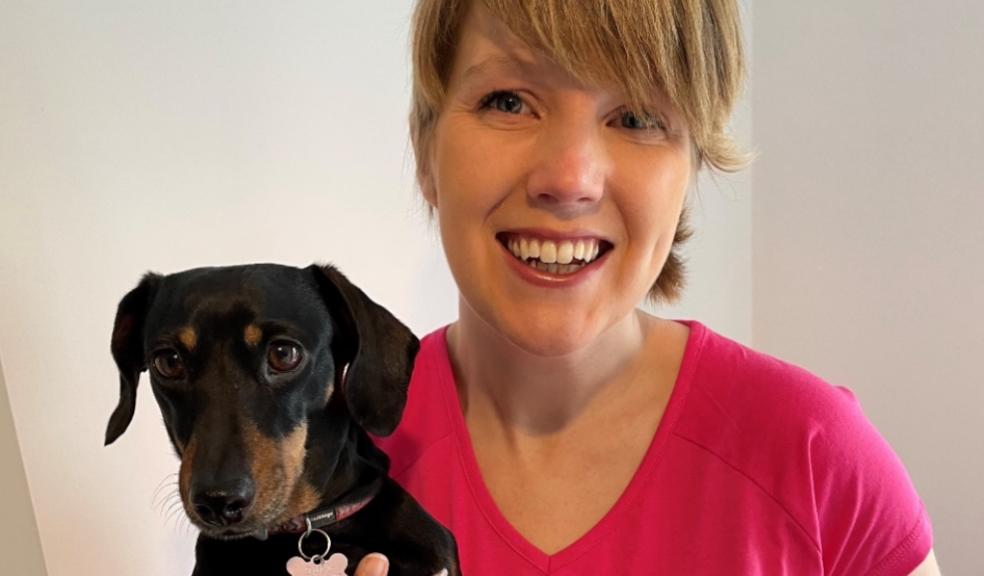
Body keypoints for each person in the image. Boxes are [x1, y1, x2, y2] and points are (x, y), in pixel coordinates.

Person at [355, 0, 940, 574]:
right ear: (425, 150)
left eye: (636, 118)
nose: (570, 179)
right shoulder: (317, 457)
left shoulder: (817, 464)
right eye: (509, 102)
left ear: (691, 169)